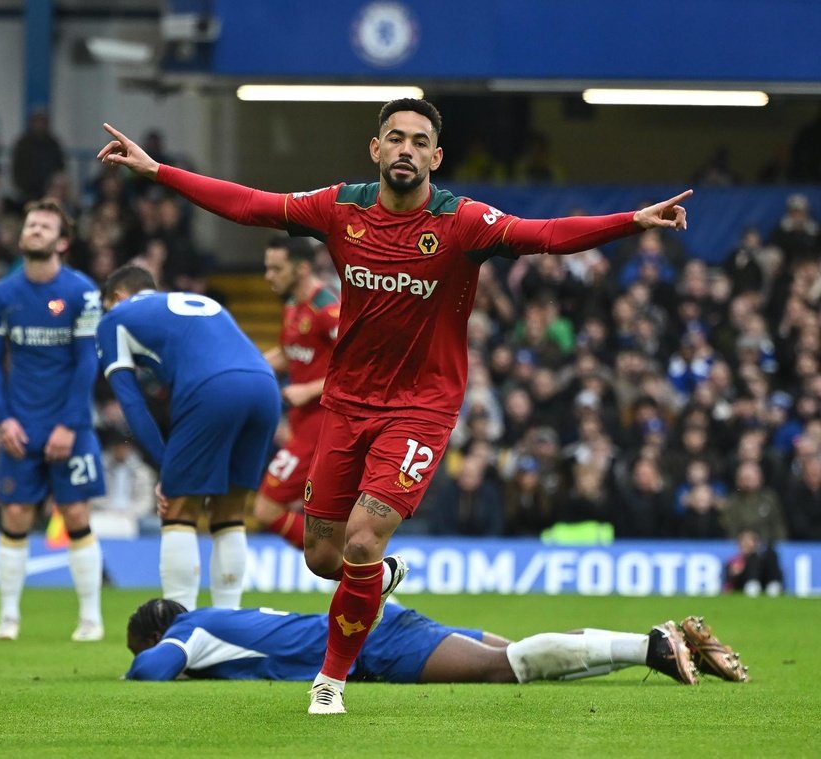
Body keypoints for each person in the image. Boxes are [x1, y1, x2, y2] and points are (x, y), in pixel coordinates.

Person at [97, 98, 692, 715]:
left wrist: (631, 222)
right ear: (375, 148)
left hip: (420, 409)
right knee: (323, 556)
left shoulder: (461, 221)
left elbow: (543, 236)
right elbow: (252, 204)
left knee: (360, 540)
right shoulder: (341, 207)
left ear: (436, 156)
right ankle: (378, 581)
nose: (405, 149)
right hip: (347, 404)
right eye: (395, 138)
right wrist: (159, 171)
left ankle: (329, 683)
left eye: (418, 141)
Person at [95, 265, 281, 611]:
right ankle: (230, 624)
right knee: (230, 510)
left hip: (213, 390)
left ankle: (178, 626)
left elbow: (132, 402)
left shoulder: (114, 318)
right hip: (265, 387)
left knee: (180, 509)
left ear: (118, 297)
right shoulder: (197, 301)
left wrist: (168, 469)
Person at [0, 198, 106, 642]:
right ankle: (8, 618)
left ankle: (90, 618)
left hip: (69, 423)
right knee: (14, 514)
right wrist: (3, 420)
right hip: (21, 424)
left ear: (62, 241)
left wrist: (71, 423)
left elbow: (87, 362)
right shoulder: (3, 294)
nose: (33, 229)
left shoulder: (82, 292)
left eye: (44, 226)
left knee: (75, 513)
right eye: (30, 223)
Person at [124, 599, 749, 686]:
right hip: (377, 623)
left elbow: (149, 673)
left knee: (506, 669)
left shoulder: (185, 631)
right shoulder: (219, 618)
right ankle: (670, 644)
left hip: (369, 644)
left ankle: (650, 649)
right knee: (534, 651)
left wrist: (151, 665)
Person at [256, 235, 339, 549]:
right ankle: (345, 564)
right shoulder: (292, 306)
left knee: (267, 507)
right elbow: (289, 353)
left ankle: (337, 559)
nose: (269, 276)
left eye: (276, 269)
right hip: (302, 427)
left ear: (303, 268)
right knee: (323, 514)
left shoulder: (328, 310)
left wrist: (309, 389)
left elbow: (360, 369)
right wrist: (250, 367)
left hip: (323, 428)